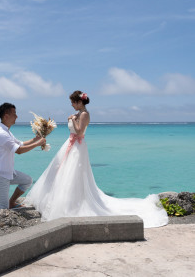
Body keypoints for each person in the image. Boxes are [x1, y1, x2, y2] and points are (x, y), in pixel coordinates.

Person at [24, 91, 168, 228]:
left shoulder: (84, 114)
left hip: (77, 147)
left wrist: (73, 120)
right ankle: (65, 201)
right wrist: (73, 118)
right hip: (70, 145)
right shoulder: (79, 113)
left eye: (73, 102)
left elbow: (79, 132)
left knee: (74, 174)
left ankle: (73, 204)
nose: (72, 105)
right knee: (62, 173)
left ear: (79, 101)